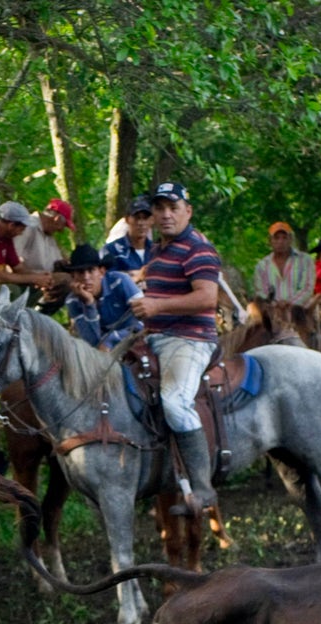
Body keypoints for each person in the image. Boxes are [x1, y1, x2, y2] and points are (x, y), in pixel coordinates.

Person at [126, 182, 224, 516]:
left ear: (188, 211)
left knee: (175, 401)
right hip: (155, 337)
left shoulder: (199, 248)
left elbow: (208, 297)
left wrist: (155, 306)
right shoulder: (157, 250)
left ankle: (203, 488)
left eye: (173, 207)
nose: (166, 215)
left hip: (191, 338)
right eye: (160, 208)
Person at [63, 244, 143, 350]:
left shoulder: (121, 281)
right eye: (80, 272)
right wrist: (89, 304)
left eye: (91, 270)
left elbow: (146, 321)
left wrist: (111, 339)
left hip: (135, 339)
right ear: (73, 277)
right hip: (104, 351)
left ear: (101, 272)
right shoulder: (72, 301)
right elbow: (91, 341)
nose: (86, 277)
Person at [251, 221, 315, 305]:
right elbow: (261, 292)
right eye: (276, 238)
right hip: (271, 312)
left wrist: (289, 303)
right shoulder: (262, 266)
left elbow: (307, 288)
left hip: (300, 312)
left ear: (290, 239)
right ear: (270, 241)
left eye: (284, 237)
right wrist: (276, 304)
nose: (280, 241)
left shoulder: (305, 260)